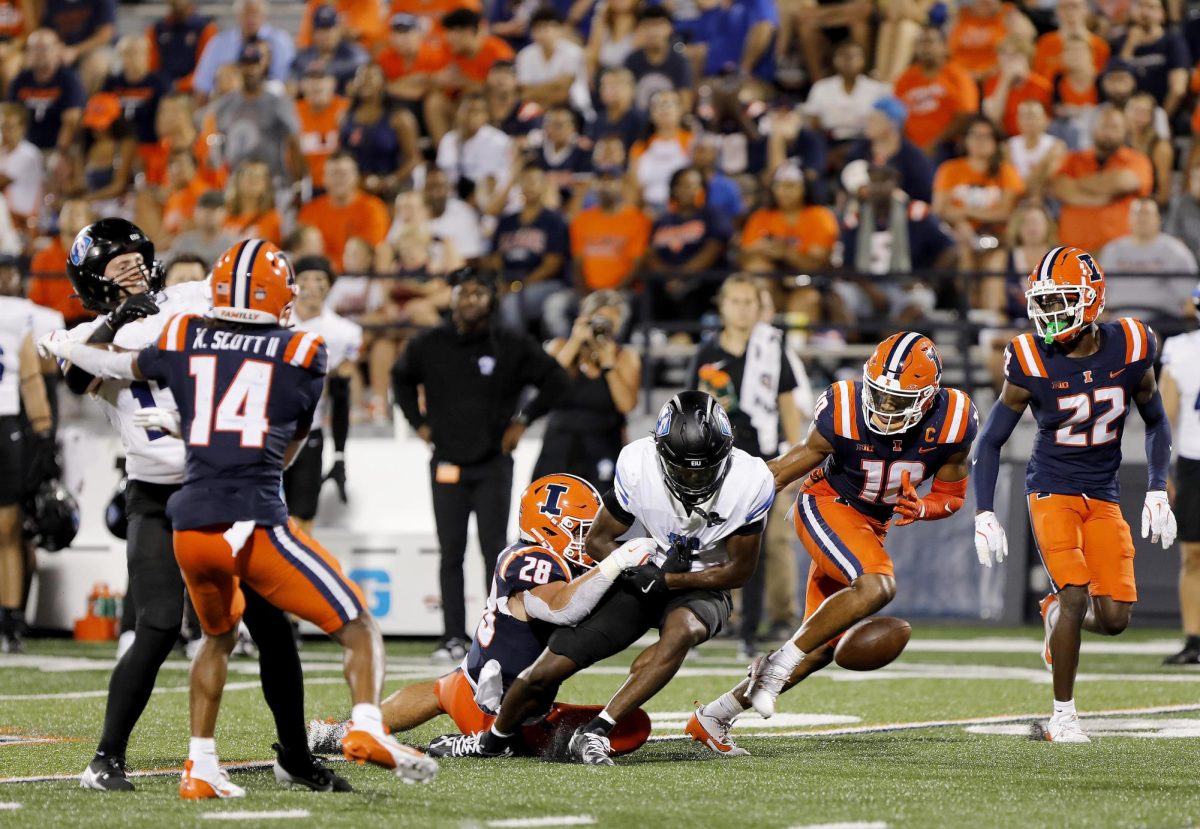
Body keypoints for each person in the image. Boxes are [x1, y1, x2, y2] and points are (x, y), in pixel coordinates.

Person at [41, 238, 438, 794]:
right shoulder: (89, 335)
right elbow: (74, 372)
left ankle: (292, 756)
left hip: (217, 483)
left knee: (271, 631)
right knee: (155, 626)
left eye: (135, 257)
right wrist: (114, 321)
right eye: (115, 263)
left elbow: (245, 294)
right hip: (158, 494)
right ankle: (106, 757)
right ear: (93, 282)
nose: (131, 268)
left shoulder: (188, 307)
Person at [452, 391, 774, 765]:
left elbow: (740, 570)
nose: (695, 477)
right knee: (555, 663)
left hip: (704, 581)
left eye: (704, 468)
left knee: (682, 630)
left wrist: (668, 582)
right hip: (646, 573)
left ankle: (597, 730)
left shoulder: (749, 480)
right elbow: (598, 540)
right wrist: (636, 569)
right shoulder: (639, 466)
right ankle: (492, 740)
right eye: (684, 468)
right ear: (661, 455)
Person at [691, 333, 976, 754]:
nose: (884, 407)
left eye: (898, 400)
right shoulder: (844, 407)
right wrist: (722, 506)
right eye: (879, 394)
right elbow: (784, 469)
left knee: (819, 648)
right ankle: (776, 667)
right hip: (827, 505)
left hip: (869, 528)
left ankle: (714, 716)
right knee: (877, 585)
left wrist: (924, 508)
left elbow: (951, 495)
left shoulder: (954, 419)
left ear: (928, 397)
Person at [973, 245, 1177, 742]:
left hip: (1103, 493)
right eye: (1042, 301)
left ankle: (1052, 614)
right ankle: (1063, 714)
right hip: (1051, 488)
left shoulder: (1132, 344)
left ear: (1092, 300)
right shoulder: (1029, 358)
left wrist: (1156, 489)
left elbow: (1156, 420)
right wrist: (984, 511)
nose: (1048, 313)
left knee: (1114, 619)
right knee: (1074, 592)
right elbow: (993, 440)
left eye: (1060, 300)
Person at [311, 475, 655, 757]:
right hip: (486, 703)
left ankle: (346, 730)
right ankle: (476, 742)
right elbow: (560, 608)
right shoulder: (530, 559)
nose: (590, 539)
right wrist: (616, 563)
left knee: (634, 725)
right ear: (551, 527)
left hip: (525, 705)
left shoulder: (566, 563)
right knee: (451, 690)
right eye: (580, 529)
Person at [391, 268, 568, 661]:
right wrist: (417, 424)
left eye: (478, 293)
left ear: (491, 299)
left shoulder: (511, 343)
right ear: (451, 297)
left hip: (493, 463)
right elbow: (399, 378)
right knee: (450, 551)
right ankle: (452, 636)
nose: (470, 299)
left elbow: (556, 380)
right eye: (463, 292)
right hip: (447, 462)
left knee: (496, 552)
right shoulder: (429, 343)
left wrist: (523, 421)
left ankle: (499, 632)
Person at [688, 274, 807, 659]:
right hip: (718, 462)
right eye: (735, 301)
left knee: (764, 541)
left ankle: (773, 620)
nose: (742, 309)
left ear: (759, 308)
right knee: (715, 543)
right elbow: (690, 410)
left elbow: (788, 407)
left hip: (763, 460)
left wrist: (796, 459)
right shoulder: (707, 350)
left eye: (749, 302)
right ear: (722, 306)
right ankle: (728, 618)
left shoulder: (771, 349)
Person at [283, 255, 362, 536]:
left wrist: (340, 453)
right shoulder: (274, 321)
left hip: (309, 430)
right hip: (267, 429)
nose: (312, 286)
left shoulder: (345, 332)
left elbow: (341, 394)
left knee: (303, 518)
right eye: (304, 279)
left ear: (330, 285)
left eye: (319, 279)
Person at [0, 259, 55, 653]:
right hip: (8, 427)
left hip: (6, 422)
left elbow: (32, 376)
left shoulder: (21, 315)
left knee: (8, 529)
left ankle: (11, 619)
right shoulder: (21, 314)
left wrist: (44, 432)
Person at [533, 291, 640, 488]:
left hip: (604, 444)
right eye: (599, 319)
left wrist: (608, 364)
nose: (603, 327)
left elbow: (626, 404)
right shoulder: (560, 347)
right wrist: (575, 341)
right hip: (559, 446)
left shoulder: (625, 357)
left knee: (602, 515)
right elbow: (546, 388)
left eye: (611, 322)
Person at [931, 117, 1024, 302]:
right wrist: (961, 223)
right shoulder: (949, 169)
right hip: (957, 235)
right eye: (975, 135)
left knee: (993, 261)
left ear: (996, 142)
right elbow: (939, 210)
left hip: (996, 236)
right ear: (965, 140)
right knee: (964, 251)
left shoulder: (1006, 171)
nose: (980, 141)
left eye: (986, 136)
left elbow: (1005, 212)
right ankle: (968, 308)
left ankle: (987, 312)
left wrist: (964, 212)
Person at [1048, 105, 1152, 255]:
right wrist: (1105, 197)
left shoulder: (1137, 160)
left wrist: (1077, 185)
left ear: (1125, 131)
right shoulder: (1073, 159)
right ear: (1093, 129)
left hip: (1119, 253)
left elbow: (1122, 181)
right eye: (1104, 126)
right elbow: (1058, 188)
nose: (1108, 132)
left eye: (1114, 127)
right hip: (1071, 251)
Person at [1160, 284, 1200, 664]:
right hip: (1194, 460)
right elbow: (1164, 416)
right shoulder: (1181, 349)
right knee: (1193, 553)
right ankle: (1195, 640)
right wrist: (1163, 471)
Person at [488, 163, 572, 338]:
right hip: (509, 282)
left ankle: (519, 358)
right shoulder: (507, 221)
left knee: (511, 304)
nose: (531, 186)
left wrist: (518, 285)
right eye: (527, 181)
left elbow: (552, 265)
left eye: (536, 181)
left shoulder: (554, 220)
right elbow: (496, 260)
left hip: (546, 285)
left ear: (544, 185)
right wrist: (501, 283)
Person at [644, 166, 732, 327]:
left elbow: (714, 248)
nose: (687, 190)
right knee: (648, 291)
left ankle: (687, 337)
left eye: (693, 185)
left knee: (692, 291)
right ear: (673, 189)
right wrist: (668, 276)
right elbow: (649, 253)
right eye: (682, 185)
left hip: (702, 279)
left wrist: (683, 275)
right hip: (666, 281)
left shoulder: (712, 215)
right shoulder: (663, 220)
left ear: (702, 189)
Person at [212, 41, 303, 188]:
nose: (250, 70)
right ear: (239, 68)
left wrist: (298, 183)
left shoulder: (277, 102)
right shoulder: (225, 104)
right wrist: (220, 170)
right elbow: (218, 139)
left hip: (272, 181)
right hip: (237, 183)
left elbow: (294, 141)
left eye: (254, 64)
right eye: (246, 64)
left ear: (263, 66)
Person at [1098, 197, 1198, 316]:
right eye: (1137, 213)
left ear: (1159, 219)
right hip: (1116, 321)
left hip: (1162, 322)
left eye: (1147, 213)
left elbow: (1190, 300)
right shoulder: (1111, 251)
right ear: (1128, 219)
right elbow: (1098, 293)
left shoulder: (1176, 251)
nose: (1142, 218)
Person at [297, 151, 390, 271]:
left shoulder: (373, 208)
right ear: (324, 178)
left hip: (360, 276)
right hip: (319, 277)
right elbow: (302, 251)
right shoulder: (310, 210)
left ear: (356, 177)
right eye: (333, 173)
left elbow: (371, 252)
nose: (339, 179)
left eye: (344, 173)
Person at [893, 26, 979, 156]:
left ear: (945, 47)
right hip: (909, 147)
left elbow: (965, 115)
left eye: (930, 42)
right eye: (920, 43)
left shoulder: (959, 76)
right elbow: (896, 116)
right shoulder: (904, 79)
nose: (925, 47)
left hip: (947, 145)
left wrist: (936, 143)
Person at [339, 62, 419, 198]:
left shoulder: (399, 118)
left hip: (391, 187)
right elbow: (343, 155)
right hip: (356, 186)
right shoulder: (345, 117)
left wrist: (389, 181)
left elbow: (413, 159)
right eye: (361, 77)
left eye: (371, 77)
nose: (365, 81)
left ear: (383, 83)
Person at [568, 165, 650, 293]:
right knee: (557, 304)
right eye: (600, 180)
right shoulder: (581, 220)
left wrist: (612, 293)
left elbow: (636, 265)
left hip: (623, 290)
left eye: (611, 180)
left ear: (621, 185)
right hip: (588, 291)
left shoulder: (637, 219)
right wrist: (586, 293)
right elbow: (578, 263)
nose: (605, 185)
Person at [191, 0, 296, 98]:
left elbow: (288, 82)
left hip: (270, 100)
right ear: (237, 16)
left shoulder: (280, 40)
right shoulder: (219, 42)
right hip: (228, 101)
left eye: (255, 14)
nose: (251, 19)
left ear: (264, 16)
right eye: (246, 14)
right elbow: (202, 86)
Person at [845, 96, 935, 204]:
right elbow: (846, 182)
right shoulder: (859, 151)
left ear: (892, 124)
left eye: (873, 120)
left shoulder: (912, 157)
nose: (867, 123)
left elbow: (925, 193)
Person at [1109, 0, 1190, 118]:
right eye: (1140, 5)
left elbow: (1178, 89)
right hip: (1127, 119)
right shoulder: (1120, 43)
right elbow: (1115, 87)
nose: (1145, 12)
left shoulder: (1173, 42)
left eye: (1151, 7)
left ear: (1162, 14)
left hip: (1164, 114)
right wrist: (1129, 46)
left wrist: (1160, 120)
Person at [8, 28, 84, 152]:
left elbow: (72, 120)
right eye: (34, 49)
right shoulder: (20, 80)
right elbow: (9, 114)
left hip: (56, 149)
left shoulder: (69, 80)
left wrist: (61, 153)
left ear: (57, 49)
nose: (39, 53)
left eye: (44, 48)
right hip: (24, 149)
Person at [803, 41, 889, 146]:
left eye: (854, 56)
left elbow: (886, 123)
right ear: (835, 60)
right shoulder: (821, 87)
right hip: (829, 141)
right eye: (843, 56)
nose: (849, 61)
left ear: (863, 60)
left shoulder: (877, 89)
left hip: (865, 142)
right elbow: (813, 122)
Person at [28, 198, 94, 326]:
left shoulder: (98, 257)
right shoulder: (43, 257)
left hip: (88, 325)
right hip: (50, 325)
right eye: (68, 213)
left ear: (90, 221)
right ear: (59, 220)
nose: (71, 219)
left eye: (78, 214)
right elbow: (35, 301)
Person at [515, 7, 591, 116]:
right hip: (534, 110)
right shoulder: (525, 55)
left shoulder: (573, 53)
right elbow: (524, 93)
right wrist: (555, 84)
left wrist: (535, 91)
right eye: (538, 28)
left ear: (560, 29)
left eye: (548, 27)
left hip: (573, 109)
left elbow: (565, 93)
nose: (543, 33)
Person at [624, 5, 694, 112]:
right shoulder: (632, 60)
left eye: (658, 25)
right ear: (639, 29)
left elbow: (686, 104)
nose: (653, 31)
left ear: (670, 28)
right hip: (639, 124)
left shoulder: (680, 61)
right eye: (647, 25)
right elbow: (626, 102)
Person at [289, 5, 366, 93]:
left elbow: (360, 66)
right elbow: (294, 81)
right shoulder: (303, 57)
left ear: (339, 30)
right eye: (321, 30)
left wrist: (324, 70)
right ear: (313, 33)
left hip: (344, 102)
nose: (326, 35)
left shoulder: (354, 54)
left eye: (329, 29)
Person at [295, 64, 348, 193]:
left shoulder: (346, 109)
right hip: (308, 185)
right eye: (311, 80)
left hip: (342, 184)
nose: (316, 84)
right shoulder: (293, 112)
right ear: (302, 85)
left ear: (333, 83)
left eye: (321, 79)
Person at [145, 0, 218, 93]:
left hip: (194, 91)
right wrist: (165, 86)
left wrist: (181, 86)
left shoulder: (206, 29)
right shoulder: (155, 29)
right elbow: (152, 68)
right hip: (163, 91)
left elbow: (205, 70)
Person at [168, 190, 237, 266]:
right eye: (204, 209)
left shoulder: (233, 246)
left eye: (214, 209)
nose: (208, 214)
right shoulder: (182, 243)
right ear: (195, 212)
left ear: (224, 213)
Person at [223, 160, 283, 246]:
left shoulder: (273, 218)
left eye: (258, 177)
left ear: (266, 184)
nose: (253, 180)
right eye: (249, 175)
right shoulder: (223, 214)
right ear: (237, 180)